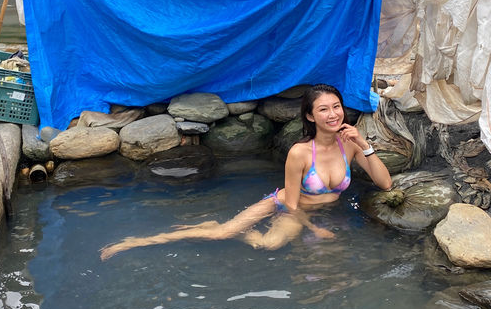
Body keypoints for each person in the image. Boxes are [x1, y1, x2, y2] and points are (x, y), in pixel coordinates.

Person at [99, 84, 393, 259]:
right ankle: (134, 243)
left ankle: (217, 224)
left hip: (323, 210)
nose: (333, 114)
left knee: (270, 244)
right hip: (287, 205)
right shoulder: (301, 153)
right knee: (255, 241)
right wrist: (315, 227)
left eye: (337, 107)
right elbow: (291, 203)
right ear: (309, 115)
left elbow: (386, 185)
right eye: (324, 110)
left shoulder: (350, 144)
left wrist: (364, 145)